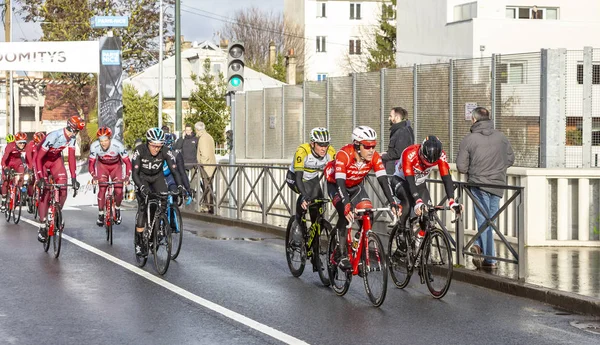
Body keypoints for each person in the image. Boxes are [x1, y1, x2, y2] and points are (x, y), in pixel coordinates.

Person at [324, 126, 400, 270]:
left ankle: (357, 242)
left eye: (373, 146)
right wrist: (346, 203)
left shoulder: (374, 157)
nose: (371, 149)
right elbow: (340, 182)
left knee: (368, 214)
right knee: (344, 213)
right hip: (336, 185)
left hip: (356, 186)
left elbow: (383, 180)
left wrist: (392, 202)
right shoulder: (344, 154)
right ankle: (341, 255)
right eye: (367, 146)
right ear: (357, 145)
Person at [456, 107, 514, 270]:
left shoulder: (469, 139)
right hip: (497, 184)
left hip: (479, 184)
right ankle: (483, 250)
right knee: (491, 221)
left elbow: (461, 167)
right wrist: (497, 169)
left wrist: (476, 170)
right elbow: (510, 159)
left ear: (474, 120)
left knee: (484, 220)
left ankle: (488, 257)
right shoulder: (501, 137)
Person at [391, 136, 462, 251]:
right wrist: (418, 201)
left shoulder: (441, 155)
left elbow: (446, 177)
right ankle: (401, 229)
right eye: (426, 161)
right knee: (408, 203)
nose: (428, 165)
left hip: (420, 184)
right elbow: (410, 181)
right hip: (402, 180)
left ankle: (419, 239)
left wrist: (452, 200)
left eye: (431, 163)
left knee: (428, 214)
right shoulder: (409, 153)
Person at [131, 127, 188, 256]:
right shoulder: (140, 151)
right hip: (142, 178)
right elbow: (134, 174)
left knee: (163, 202)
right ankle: (140, 242)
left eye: (159, 146)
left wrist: (180, 187)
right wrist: (141, 187)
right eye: (154, 146)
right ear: (148, 143)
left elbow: (175, 171)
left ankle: (156, 230)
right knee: (143, 208)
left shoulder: (166, 151)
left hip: (157, 177)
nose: (156, 149)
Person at [36, 116, 85, 242]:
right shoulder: (54, 136)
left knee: (63, 187)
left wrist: (74, 178)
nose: (76, 134)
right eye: (76, 131)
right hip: (42, 161)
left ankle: (57, 213)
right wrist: (41, 177)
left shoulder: (72, 138)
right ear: (71, 128)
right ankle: (42, 227)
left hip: (56, 160)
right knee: (45, 190)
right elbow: (38, 158)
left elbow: (72, 158)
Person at [286, 127, 335, 236]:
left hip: (312, 178)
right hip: (295, 177)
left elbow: (335, 175)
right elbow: (299, 177)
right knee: (306, 196)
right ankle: (298, 225)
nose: (324, 148)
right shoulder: (302, 151)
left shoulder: (330, 152)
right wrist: (304, 196)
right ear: (312, 144)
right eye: (320, 145)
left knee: (318, 205)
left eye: (326, 144)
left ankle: (313, 235)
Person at [88, 126, 132, 226]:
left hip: (116, 167)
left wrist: (127, 177)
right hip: (102, 167)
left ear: (110, 138)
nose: (103, 143)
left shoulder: (118, 145)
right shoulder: (94, 146)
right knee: (102, 189)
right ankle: (100, 214)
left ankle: (117, 208)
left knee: (119, 191)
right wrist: (94, 176)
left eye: (105, 140)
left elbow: (128, 163)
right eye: (101, 140)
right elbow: (91, 164)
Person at [381, 107, 414, 227]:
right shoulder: (402, 129)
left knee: (399, 194)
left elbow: (399, 152)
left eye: (391, 115)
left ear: (397, 117)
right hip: (398, 167)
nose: (389, 118)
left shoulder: (402, 131)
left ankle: (401, 220)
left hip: (397, 169)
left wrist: (384, 156)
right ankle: (401, 220)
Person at [163, 133, 193, 206]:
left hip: (166, 178)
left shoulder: (158, 152)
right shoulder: (176, 154)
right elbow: (182, 173)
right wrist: (188, 189)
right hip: (169, 179)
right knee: (173, 193)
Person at [1, 132, 28, 211]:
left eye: (24, 143)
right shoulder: (10, 146)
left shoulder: (26, 147)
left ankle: (19, 191)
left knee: (22, 174)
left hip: (18, 162)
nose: (22, 145)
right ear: (16, 142)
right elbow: (3, 160)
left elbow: (29, 158)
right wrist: (5, 168)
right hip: (8, 162)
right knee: (6, 180)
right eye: (20, 143)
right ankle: (3, 200)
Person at [195, 121, 216, 214]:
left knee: (207, 187)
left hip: (206, 167)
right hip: (212, 165)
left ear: (198, 129)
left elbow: (204, 154)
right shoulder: (209, 137)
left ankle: (208, 206)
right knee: (209, 186)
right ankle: (210, 205)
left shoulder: (202, 138)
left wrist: (201, 164)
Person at [25, 132, 46, 201]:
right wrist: (31, 168)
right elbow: (29, 157)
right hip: (31, 162)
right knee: (31, 179)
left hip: (40, 162)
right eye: (38, 143)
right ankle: (30, 195)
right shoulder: (30, 145)